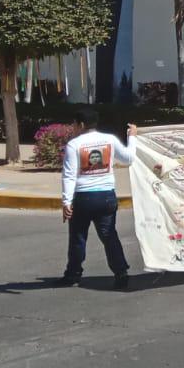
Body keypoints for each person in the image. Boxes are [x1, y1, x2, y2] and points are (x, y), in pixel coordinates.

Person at [58, 109, 137, 290]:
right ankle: (121, 273)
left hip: (83, 198)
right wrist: (132, 137)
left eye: (75, 124)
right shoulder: (109, 139)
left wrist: (66, 202)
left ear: (82, 125)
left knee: (78, 238)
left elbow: (69, 176)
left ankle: (73, 275)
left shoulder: (74, 145)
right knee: (110, 236)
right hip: (106, 196)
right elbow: (128, 158)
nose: (74, 128)